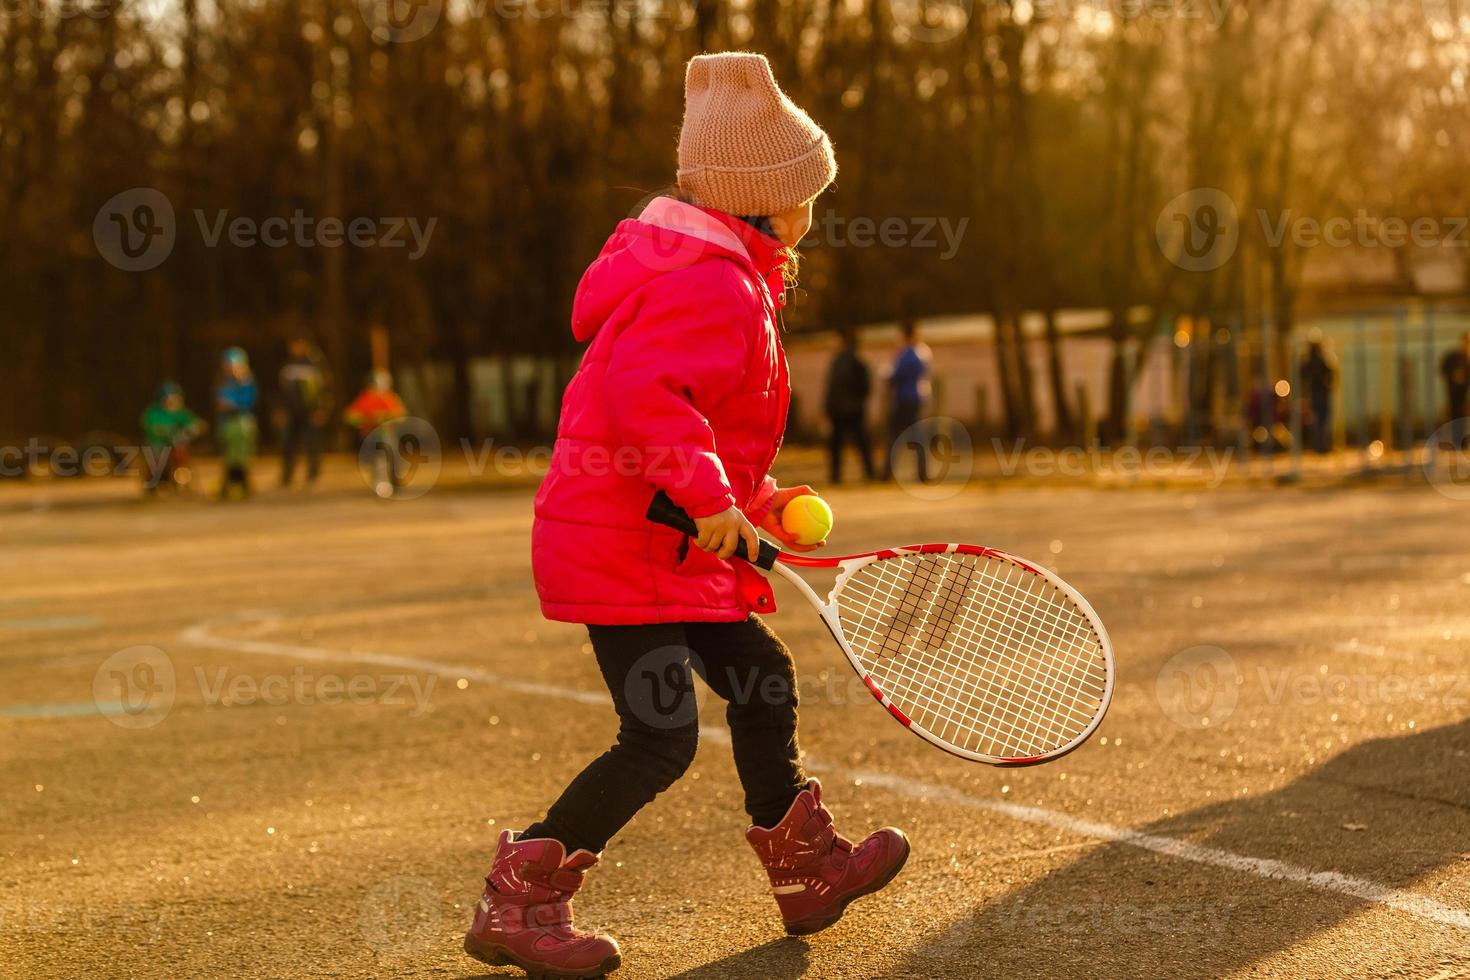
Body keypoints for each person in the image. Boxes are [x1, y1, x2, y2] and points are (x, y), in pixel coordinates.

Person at [465, 53, 909, 980]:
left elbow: (705, 428)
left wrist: (758, 500)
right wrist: (710, 501)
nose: (815, 213)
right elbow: (647, 400)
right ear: (763, 201)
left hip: (665, 541)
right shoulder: (710, 279)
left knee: (761, 678)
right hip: (624, 544)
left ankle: (804, 873)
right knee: (660, 736)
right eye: (807, 195)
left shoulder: (724, 274)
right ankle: (520, 897)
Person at [342, 370, 408, 497]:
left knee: (394, 456)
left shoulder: (390, 397)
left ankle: (395, 481)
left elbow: (401, 415)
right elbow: (349, 416)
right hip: (369, 436)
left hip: (386, 434)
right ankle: (381, 483)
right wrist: (365, 419)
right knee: (377, 459)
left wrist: (385, 417)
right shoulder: (366, 398)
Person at [823, 327, 874, 484]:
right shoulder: (858, 360)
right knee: (860, 442)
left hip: (841, 409)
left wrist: (828, 408)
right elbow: (866, 386)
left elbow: (832, 388)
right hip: (852, 409)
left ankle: (836, 476)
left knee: (838, 445)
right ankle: (869, 473)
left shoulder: (840, 360)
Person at [277, 338, 330, 487]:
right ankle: (287, 475)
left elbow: (324, 388)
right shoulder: (287, 364)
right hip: (292, 412)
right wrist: (281, 409)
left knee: (312, 444)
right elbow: (281, 389)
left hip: (310, 411)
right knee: (289, 445)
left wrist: (321, 408)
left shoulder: (315, 364)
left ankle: (313, 474)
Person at [884, 319, 932, 482]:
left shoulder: (907, 354)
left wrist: (887, 376)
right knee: (917, 436)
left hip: (904, 398)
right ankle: (923, 472)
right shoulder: (923, 352)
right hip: (918, 397)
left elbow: (896, 375)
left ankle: (888, 472)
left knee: (895, 436)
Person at [139, 381, 206, 494]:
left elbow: (200, 425)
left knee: (180, 453)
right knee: (156, 458)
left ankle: (181, 480)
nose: (173, 401)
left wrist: (188, 432)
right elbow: (148, 425)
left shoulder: (181, 413)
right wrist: (165, 432)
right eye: (170, 398)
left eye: (176, 398)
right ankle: (155, 481)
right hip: (158, 447)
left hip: (175, 448)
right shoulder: (154, 412)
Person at [214, 347, 258, 499]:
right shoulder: (224, 383)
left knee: (242, 457)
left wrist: (234, 404)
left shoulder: (246, 383)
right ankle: (229, 485)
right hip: (228, 425)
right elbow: (220, 402)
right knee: (229, 457)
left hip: (242, 425)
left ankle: (243, 484)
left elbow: (249, 401)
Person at [1300, 333, 1335, 454]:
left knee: (1316, 420)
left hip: (1313, 393)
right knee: (1323, 420)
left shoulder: (1307, 361)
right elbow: (1330, 373)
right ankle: (1322, 446)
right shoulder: (1322, 360)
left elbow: (1302, 376)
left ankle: (1317, 446)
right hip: (1321, 393)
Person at [1442, 332, 1470, 449]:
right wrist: (1454, 376)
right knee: (1456, 419)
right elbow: (1444, 368)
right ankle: (1457, 443)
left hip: (1464, 398)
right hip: (1455, 398)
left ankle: (1461, 443)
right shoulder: (1454, 358)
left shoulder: (1466, 360)